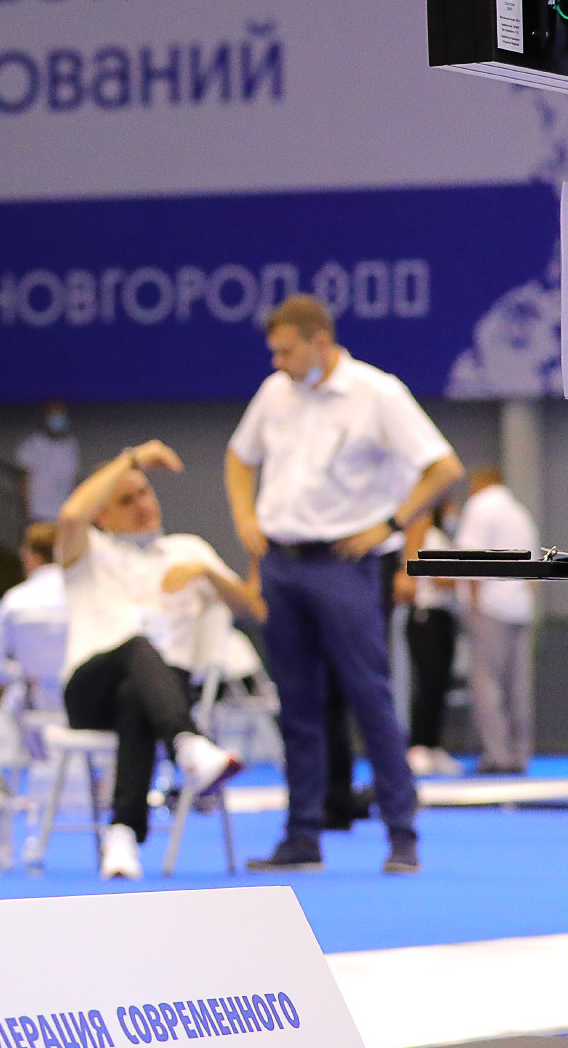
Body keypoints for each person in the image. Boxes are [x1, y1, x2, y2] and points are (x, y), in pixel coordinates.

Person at [225, 294, 463, 876]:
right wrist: (245, 518)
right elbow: (238, 457)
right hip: (282, 564)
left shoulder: (377, 394)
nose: (277, 362)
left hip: (344, 564)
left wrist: (390, 525)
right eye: (273, 352)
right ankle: (302, 835)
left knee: (369, 697)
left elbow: (443, 468)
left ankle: (402, 835)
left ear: (320, 341)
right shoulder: (274, 392)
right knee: (298, 707)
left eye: (286, 350)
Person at [56, 443, 255, 880]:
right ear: (103, 516)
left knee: (139, 695)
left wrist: (208, 575)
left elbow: (254, 609)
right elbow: (71, 515)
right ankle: (188, 744)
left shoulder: (190, 550)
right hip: (91, 689)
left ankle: (123, 835)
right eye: (126, 500)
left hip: (159, 693)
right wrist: (131, 459)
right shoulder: (88, 551)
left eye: (145, 492)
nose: (143, 505)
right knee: (137, 647)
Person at [452, 465, 539, 774]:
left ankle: (497, 756)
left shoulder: (480, 506)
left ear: (480, 482)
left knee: (487, 683)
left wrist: (474, 604)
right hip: (520, 606)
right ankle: (520, 753)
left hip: (490, 606)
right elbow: (536, 566)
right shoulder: (520, 512)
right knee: (518, 686)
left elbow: (470, 558)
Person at [0, 522, 68, 710]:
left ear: (29, 556)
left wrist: (29, 674)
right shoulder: (84, 595)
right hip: (81, 700)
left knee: (15, 698)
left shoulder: (16, 599)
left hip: (35, 703)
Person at [400, 500, 460, 777]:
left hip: (444, 615)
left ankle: (434, 745)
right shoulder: (424, 530)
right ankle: (418, 746)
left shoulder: (443, 536)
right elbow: (435, 576)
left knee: (440, 685)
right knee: (428, 681)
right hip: (425, 615)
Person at [17, 400, 81, 525]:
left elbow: (74, 481)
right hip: (38, 513)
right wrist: (27, 512)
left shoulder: (70, 446)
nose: (58, 419)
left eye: (60, 414)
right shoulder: (32, 444)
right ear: (46, 417)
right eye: (54, 414)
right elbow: (24, 480)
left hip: (63, 514)